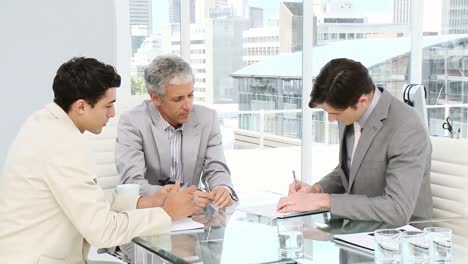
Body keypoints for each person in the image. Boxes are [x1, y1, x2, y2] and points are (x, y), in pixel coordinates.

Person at [0, 57, 196, 263]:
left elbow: (85, 197)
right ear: (81, 106)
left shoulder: (44, 123)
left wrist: (145, 202)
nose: (112, 114)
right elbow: (103, 231)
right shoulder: (62, 143)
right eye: (108, 105)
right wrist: (167, 213)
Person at [277, 58, 432, 226]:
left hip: (401, 238)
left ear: (362, 101)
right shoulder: (349, 112)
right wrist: (317, 190)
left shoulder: (407, 126)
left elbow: (397, 209)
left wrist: (325, 201)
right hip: (358, 229)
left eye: (335, 113)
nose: (330, 119)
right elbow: (353, 168)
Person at [116, 55, 237, 212]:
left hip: (193, 216)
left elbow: (216, 168)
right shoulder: (132, 121)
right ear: (155, 98)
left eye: (190, 95)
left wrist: (222, 188)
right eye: (178, 99)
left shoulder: (207, 118)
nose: (188, 105)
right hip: (151, 214)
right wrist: (179, 196)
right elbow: (132, 182)